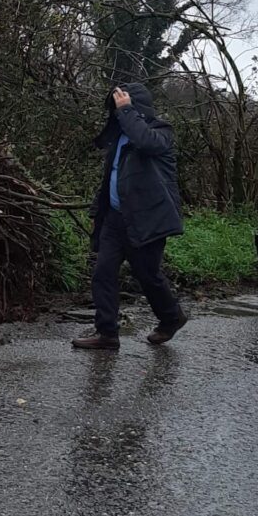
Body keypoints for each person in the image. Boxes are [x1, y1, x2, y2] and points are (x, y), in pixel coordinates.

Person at [72, 83, 187, 350]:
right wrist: (96, 212)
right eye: (116, 108)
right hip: (115, 218)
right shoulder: (119, 137)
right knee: (103, 273)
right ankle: (107, 334)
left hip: (147, 219)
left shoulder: (161, 133)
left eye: (121, 106)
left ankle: (172, 318)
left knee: (148, 275)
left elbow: (145, 142)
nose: (117, 113)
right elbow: (110, 177)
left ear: (136, 108)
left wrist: (127, 110)